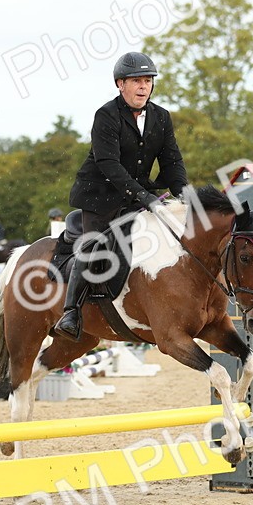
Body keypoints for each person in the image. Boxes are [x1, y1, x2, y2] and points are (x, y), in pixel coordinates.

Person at [53, 51, 188, 340]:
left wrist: (185, 196)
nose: (143, 86)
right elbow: (109, 165)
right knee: (93, 246)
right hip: (100, 196)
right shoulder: (106, 115)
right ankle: (71, 312)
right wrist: (144, 196)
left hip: (136, 197)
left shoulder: (161, 117)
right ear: (120, 84)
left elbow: (172, 161)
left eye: (148, 81)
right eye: (136, 80)